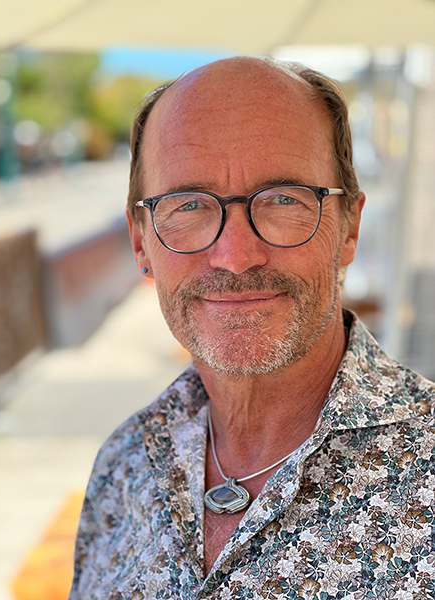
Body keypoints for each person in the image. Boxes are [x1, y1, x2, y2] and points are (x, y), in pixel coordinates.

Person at [69, 57, 435, 599]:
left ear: (350, 227)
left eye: (283, 199)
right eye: (187, 204)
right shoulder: (123, 465)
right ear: (142, 242)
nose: (236, 256)